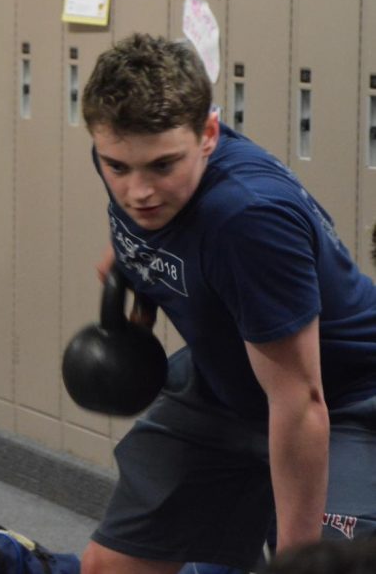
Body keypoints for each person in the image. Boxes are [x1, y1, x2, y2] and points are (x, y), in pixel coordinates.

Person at [77, 33, 376, 573]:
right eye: (119, 167)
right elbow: (152, 226)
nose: (138, 191)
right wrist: (130, 268)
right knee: (109, 566)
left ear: (209, 133)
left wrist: (300, 557)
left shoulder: (248, 220)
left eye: (163, 167)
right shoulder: (125, 161)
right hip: (225, 381)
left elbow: (301, 402)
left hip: (345, 396)